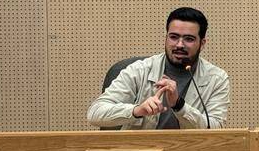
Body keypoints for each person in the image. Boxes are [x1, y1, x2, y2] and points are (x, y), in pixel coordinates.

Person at [88, 7, 230, 129]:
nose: (179, 45)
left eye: (189, 39)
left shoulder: (216, 78)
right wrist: (137, 110)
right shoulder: (139, 70)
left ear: (202, 43)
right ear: (166, 38)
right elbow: (95, 113)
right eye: (173, 37)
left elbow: (216, 127)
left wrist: (179, 106)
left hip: (190, 150)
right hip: (143, 149)